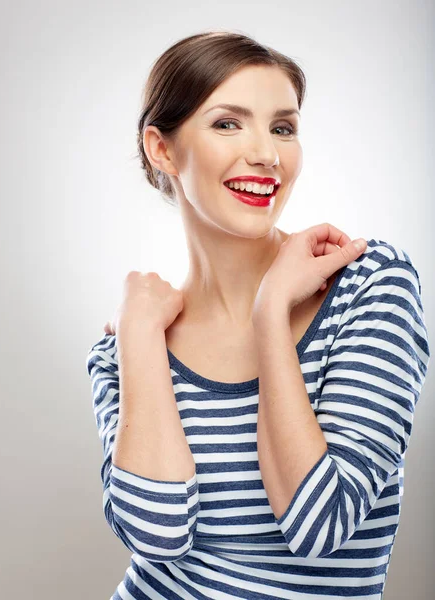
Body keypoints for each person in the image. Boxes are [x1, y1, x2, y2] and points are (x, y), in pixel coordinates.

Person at [86, 30, 431, 600]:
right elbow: (157, 535)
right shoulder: (126, 345)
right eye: (228, 123)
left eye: (283, 127)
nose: (267, 154)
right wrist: (139, 338)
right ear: (162, 148)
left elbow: (321, 525)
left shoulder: (370, 285)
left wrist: (271, 311)